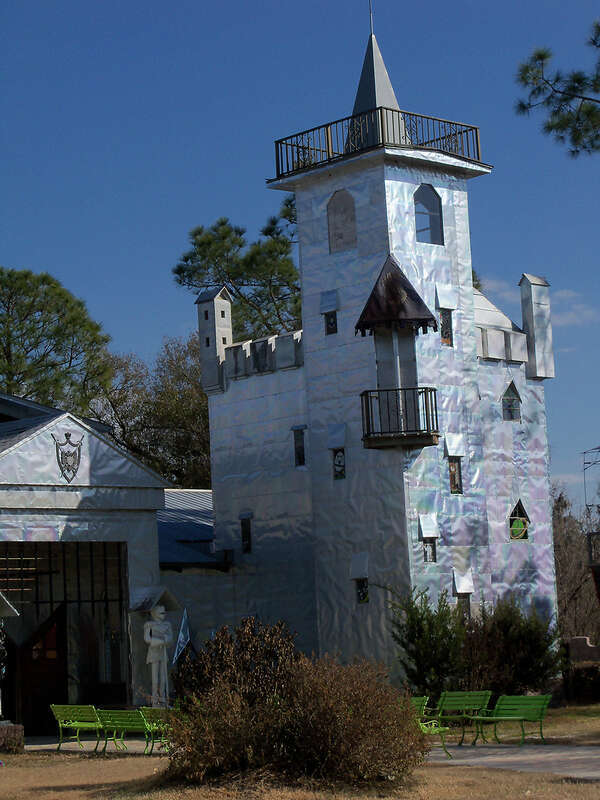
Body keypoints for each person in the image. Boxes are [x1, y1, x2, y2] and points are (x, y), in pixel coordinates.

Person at [143, 605, 173, 707]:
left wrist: (166, 639)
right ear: (155, 613)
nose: (163, 615)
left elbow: (170, 638)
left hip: (163, 652)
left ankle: (163, 699)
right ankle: (155, 700)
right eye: (161, 613)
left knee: (163, 678)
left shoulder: (167, 625)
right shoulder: (149, 624)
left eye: (164, 612)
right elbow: (147, 639)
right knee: (155, 678)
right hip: (154, 652)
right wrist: (160, 641)